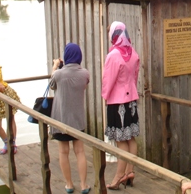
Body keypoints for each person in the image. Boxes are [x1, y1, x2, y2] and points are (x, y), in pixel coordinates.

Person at [101, 21, 140, 190]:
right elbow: (135, 77)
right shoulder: (133, 53)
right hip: (131, 100)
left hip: (117, 102)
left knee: (120, 140)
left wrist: (105, 96)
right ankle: (129, 172)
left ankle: (118, 176)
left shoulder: (113, 55)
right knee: (131, 138)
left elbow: (108, 80)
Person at [50, 42, 91, 194]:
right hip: (78, 118)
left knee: (63, 152)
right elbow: (84, 86)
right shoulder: (85, 73)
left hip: (60, 118)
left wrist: (55, 66)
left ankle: (69, 185)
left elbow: (52, 85)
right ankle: (84, 185)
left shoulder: (59, 74)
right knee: (80, 151)